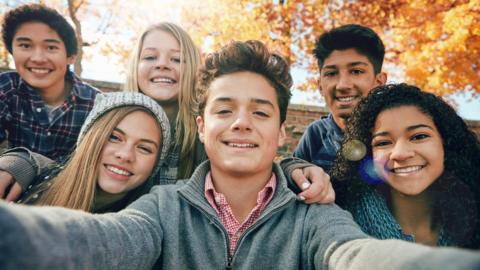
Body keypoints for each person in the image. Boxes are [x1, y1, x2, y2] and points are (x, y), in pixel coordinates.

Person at [1, 40, 480, 270]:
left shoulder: (315, 216)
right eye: (225, 109)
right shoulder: (162, 207)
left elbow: (355, 254)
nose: (242, 123)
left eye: (260, 111)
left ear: (280, 133)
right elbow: (104, 240)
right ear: (202, 127)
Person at [0, 22, 334, 204]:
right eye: (151, 57)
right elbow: (71, 164)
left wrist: (295, 167)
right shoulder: (106, 110)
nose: (163, 64)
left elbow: (251, 155)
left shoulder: (208, 129)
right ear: (136, 65)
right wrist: (23, 162)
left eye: (177, 58)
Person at [331, 83, 480, 248]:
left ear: (446, 143)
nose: (400, 153)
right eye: (383, 142)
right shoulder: (336, 222)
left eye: (419, 136)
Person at [17, 92, 170, 213]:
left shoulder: (144, 226)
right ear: (90, 139)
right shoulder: (28, 185)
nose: (125, 155)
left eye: (144, 148)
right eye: (114, 137)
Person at [0, 4, 98, 160]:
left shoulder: (95, 104)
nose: (38, 58)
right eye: (25, 46)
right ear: (12, 51)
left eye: (51, 47)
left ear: (70, 57)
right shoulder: (6, 87)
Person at [292, 24, 387, 172]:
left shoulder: (394, 132)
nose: (342, 85)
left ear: (379, 82)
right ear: (320, 86)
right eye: (331, 73)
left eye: (356, 71)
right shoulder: (316, 136)